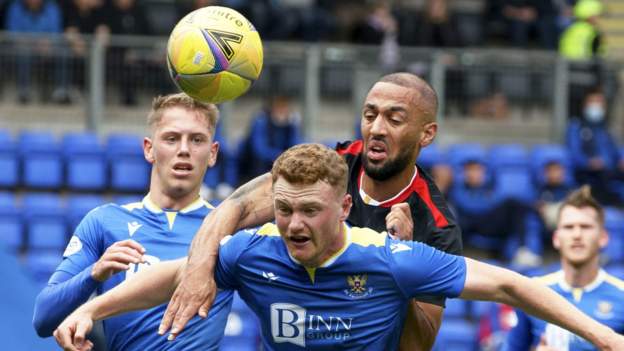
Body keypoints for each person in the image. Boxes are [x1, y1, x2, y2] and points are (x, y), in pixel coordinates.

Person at [54, 144, 624, 351]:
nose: (293, 224)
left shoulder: (387, 259)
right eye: (283, 210)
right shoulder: (255, 251)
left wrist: (605, 338)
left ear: (345, 209)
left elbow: (509, 283)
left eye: (309, 211)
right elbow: (176, 274)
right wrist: (90, 310)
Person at [165, 72, 462, 351]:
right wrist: (198, 270)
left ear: (427, 134)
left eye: (394, 119)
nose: (377, 128)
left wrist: (405, 263)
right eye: (370, 115)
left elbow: (416, 345)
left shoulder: (436, 224)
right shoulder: (330, 168)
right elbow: (236, 207)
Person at [32, 93, 234, 350]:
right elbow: (43, 318)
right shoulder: (104, 221)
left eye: (197, 140)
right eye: (171, 139)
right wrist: (94, 273)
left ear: (213, 153)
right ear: (149, 148)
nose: (184, 150)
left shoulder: (229, 229)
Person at [504, 185, 624, 350]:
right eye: (569, 227)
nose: (577, 235)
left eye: (585, 227)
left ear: (603, 237)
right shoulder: (531, 292)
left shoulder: (622, 294)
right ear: (556, 238)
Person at [566, 88, 624, 206]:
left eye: (599, 102)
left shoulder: (607, 129)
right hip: (588, 176)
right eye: (592, 102)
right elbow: (574, 154)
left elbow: (616, 153)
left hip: (611, 173)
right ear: (584, 105)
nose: (596, 105)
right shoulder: (576, 127)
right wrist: (588, 162)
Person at [236, 94, 301, 184]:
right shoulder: (261, 120)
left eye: (284, 109)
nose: (282, 112)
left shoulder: (292, 122)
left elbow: (296, 145)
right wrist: (278, 156)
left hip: (280, 158)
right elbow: (258, 148)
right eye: (279, 109)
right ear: (272, 109)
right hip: (257, 161)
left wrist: (285, 156)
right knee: (260, 161)